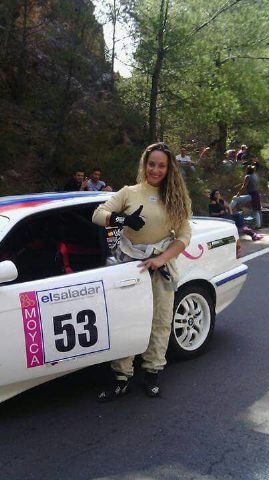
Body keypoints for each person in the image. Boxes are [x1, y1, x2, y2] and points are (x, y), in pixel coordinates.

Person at [92, 142, 192, 400]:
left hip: (160, 265)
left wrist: (161, 259)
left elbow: (183, 236)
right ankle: (121, 377)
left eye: (161, 166)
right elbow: (98, 214)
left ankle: (152, 373)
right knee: (126, 320)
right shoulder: (129, 192)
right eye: (151, 164)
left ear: (169, 169)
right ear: (144, 164)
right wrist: (123, 219)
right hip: (129, 265)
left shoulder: (175, 198)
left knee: (160, 321)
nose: (155, 170)